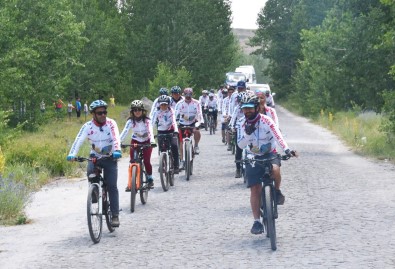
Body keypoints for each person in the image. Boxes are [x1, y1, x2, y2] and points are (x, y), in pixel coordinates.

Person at [237, 92, 296, 235]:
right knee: (255, 189)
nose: (247, 111)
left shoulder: (267, 120)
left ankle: (276, 191)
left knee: (275, 169)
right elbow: (240, 145)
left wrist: (287, 150)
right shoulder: (241, 123)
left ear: (257, 107)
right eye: (245, 108)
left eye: (250, 108)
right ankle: (256, 221)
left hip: (270, 153)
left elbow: (278, 135)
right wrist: (248, 134)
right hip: (253, 155)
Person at [66, 100, 122, 227]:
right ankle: (95, 192)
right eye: (100, 113)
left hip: (110, 157)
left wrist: (117, 150)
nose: (103, 115)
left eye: (105, 112)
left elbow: (116, 138)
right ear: (93, 114)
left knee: (112, 186)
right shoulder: (87, 126)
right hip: (95, 156)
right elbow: (78, 140)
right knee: (91, 173)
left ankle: (114, 215)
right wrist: (72, 154)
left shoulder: (111, 123)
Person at [120, 100, 157, 188]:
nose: (137, 112)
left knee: (147, 160)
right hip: (135, 141)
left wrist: (152, 141)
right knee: (132, 160)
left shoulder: (147, 120)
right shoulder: (130, 121)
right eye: (135, 110)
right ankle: (131, 181)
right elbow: (124, 132)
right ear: (132, 112)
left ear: (142, 111)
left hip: (147, 141)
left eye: (139, 110)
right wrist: (118, 142)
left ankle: (150, 177)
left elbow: (150, 131)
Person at [152, 95, 180, 174]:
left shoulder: (171, 111)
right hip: (161, 131)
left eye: (165, 104)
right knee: (161, 149)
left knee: (174, 146)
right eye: (162, 104)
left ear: (168, 104)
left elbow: (174, 121)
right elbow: (152, 123)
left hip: (171, 131)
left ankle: (176, 165)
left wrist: (176, 131)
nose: (163, 106)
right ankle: (162, 164)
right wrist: (149, 133)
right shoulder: (156, 111)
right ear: (159, 104)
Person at [175, 88, 203, 158]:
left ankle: (196, 145)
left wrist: (201, 122)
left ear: (192, 95)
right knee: (181, 142)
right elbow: (175, 114)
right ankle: (181, 159)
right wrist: (175, 123)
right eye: (186, 95)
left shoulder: (196, 103)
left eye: (189, 95)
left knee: (197, 131)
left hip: (192, 123)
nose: (188, 97)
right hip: (182, 123)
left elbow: (200, 114)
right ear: (183, 95)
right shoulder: (179, 103)